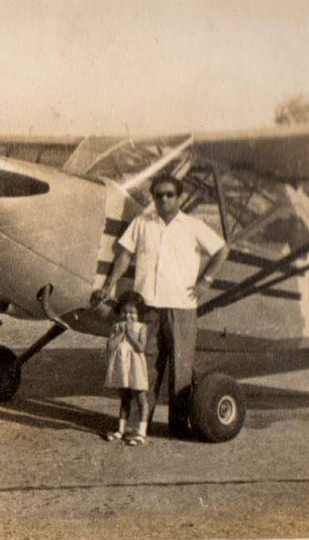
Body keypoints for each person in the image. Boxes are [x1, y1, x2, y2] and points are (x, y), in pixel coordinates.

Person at [91, 174, 229, 437]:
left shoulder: (193, 225)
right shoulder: (142, 223)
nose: (164, 199)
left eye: (169, 195)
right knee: (144, 366)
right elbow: (124, 256)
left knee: (181, 368)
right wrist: (109, 284)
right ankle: (137, 424)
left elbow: (222, 250)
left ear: (178, 198)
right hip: (148, 307)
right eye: (159, 195)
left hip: (182, 307)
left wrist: (205, 281)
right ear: (153, 197)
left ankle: (178, 426)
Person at [103, 291, 149, 446]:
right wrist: (120, 334)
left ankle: (141, 432)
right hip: (122, 366)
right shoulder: (116, 327)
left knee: (141, 398)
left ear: (139, 314)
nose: (128, 316)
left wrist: (130, 334)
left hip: (135, 366)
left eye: (132, 313)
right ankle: (121, 429)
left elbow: (140, 347)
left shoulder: (141, 327)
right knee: (124, 398)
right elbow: (110, 346)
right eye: (124, 312)